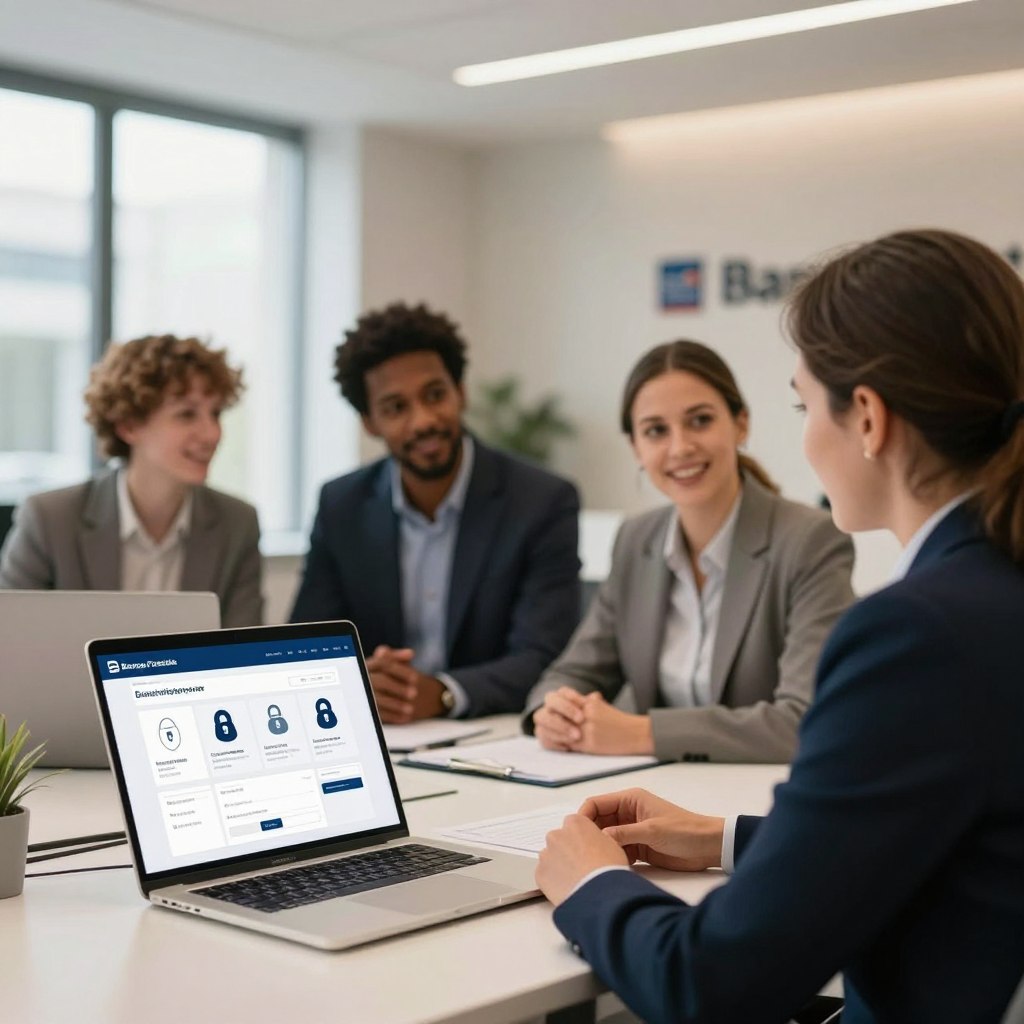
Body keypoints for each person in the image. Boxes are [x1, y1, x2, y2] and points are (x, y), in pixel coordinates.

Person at [535, 229, 1024, 1022]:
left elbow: (710, 984)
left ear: (866, 418)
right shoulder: (995, 589)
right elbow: (937, 829)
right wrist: (726, 837)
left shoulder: (919, 632)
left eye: (805, 405)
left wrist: (591, 882)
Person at [523, 341, 854, 763]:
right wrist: (553, 711)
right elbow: (571, 673)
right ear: (636, 448)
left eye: (699, 421)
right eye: (656, 431)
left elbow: (803, 720)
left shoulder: (810, 541)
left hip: (755, 805)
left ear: (741, 424)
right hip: (653, 794)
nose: (680, 448)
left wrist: (642, 733)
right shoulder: (636, 541)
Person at [289, 301, 581, 721]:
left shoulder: (541, 501)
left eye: (435, 395)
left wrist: (443, 693)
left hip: (490, 734)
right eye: (395, 407)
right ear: (369, 422)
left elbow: (545, 655)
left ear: (460, 391)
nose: (423, 420)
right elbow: (306, 648)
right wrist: (359, 680)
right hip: (380, 736)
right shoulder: (341, 506)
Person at [0, 334, 263, 628]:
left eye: (215, 413)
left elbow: (242, 653)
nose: (212, 433)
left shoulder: (237, 523)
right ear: (128, 425)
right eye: (186, 414)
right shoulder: (50, 519)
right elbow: (12, 645)